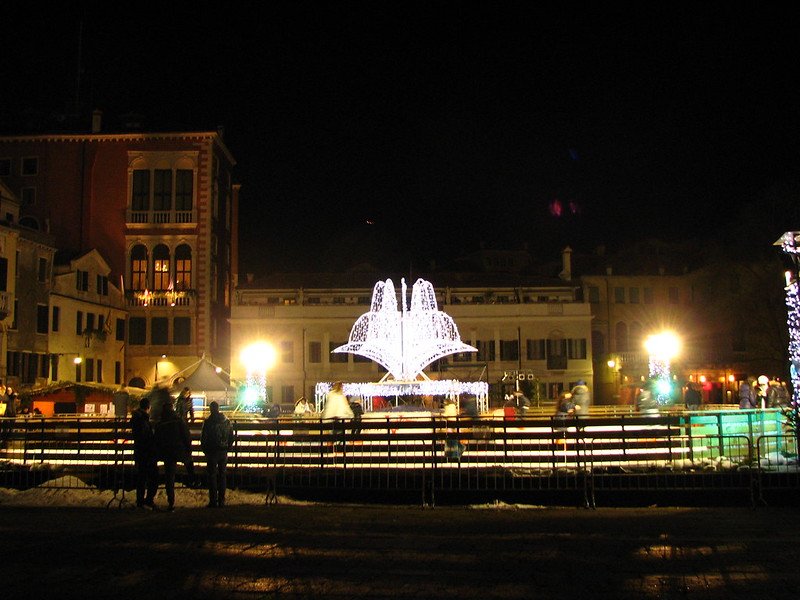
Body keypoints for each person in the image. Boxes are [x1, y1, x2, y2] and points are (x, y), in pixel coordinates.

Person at [153, 389, 192, 511]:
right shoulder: (178, 421)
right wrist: (188, 449)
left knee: (167, 477)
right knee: (173, 474)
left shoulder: (160, 423)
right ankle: (172, 500)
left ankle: (167, 500)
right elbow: (186, 436)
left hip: (164, 452)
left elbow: (156, 439)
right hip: (176, 451)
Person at [200, 401, 234, 508]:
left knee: (212, 476)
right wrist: (227, 447)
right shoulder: (226, 421)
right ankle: (222, 500)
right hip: (223, 451)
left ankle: (213, 500)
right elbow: (231, 436)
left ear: (211, 409)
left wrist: (205, 449)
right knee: (222, 475)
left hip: (212, 451)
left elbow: (204, 437)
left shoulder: (208, 422)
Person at [129, 397, 157, 509]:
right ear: (148, 407)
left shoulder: (136, 419)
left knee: (141, 477)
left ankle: (140, 501)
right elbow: (146, 436)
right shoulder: (143, 420)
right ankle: (148, 500)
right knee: (153, 477)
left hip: (139, 452)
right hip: (147, 452)